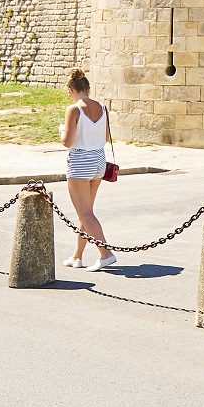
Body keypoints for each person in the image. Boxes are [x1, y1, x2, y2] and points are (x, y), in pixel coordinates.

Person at [59, 68, 116, 270]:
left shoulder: (73, 109)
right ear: (88, 89)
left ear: (70, 90)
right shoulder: (102, 107)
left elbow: (67, 142)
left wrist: (62, 132)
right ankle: (77, 256)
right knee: (86, 212)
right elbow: (106, 137)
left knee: (85, 213)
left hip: (81, 161)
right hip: (99, 160)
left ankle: (105, 254)